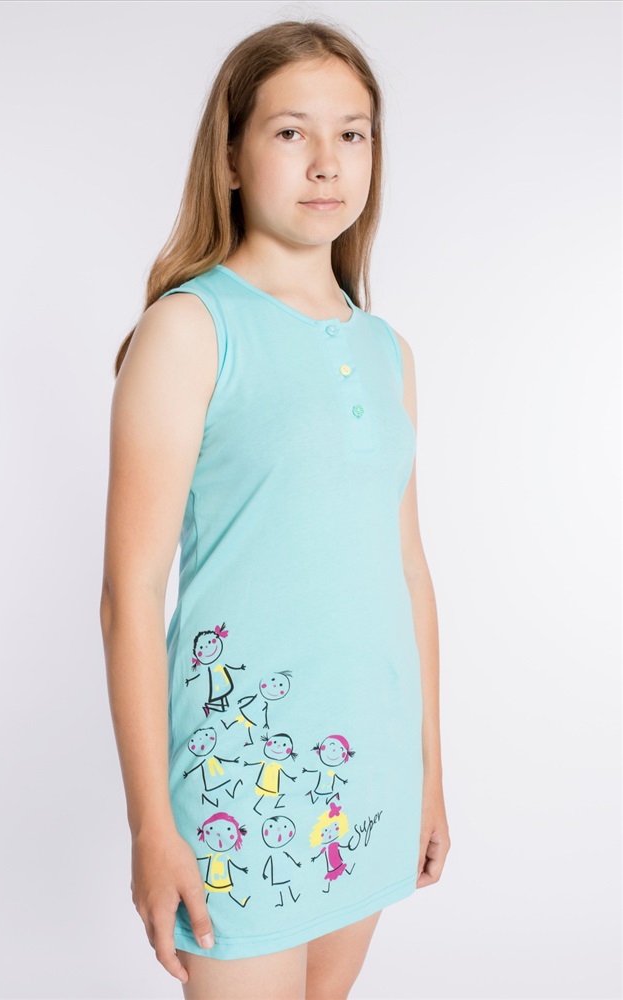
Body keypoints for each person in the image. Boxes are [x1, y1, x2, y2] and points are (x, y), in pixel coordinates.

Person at [100, 17, 450, 1000]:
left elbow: (408, 571)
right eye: (292, 131)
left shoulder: (386, 350)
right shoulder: (190, 329)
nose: (327, 161)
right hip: (240, 777)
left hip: (368, 765)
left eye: (353, 133)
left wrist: (428, 771)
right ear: (229, 156)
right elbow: (131, 592)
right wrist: (150, 825)